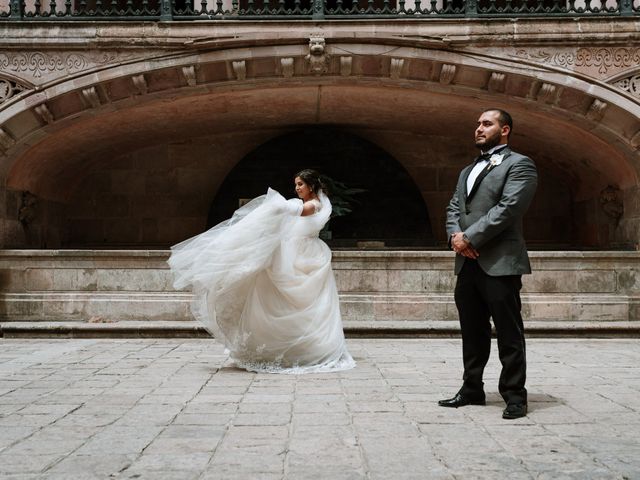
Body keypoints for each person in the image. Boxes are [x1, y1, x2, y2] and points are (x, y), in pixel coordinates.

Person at [168, 169, 355, 374]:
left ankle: (305, 349)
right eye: (295, 185)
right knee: (270, 295)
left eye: (300, 184)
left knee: (300, 303)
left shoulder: (315, 204)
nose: (297, 188)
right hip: (291, 251)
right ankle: (280, 346)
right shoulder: (305, 203)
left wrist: (276, 205)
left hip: (304, 256)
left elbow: (300, 211)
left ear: (311, 186)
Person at [440, 108, 538, 419]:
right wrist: (455, 235)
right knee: (472, 330)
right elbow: (454, 206)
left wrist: (470, 238)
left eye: (487, 124)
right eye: (477, 124)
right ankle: (472, 389)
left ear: (505, 130)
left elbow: (509, 209)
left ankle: (514, 395)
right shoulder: (466, 170)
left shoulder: (520, 165)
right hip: (467, 263)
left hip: (500, 262)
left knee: (509, 331)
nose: (478, 129)